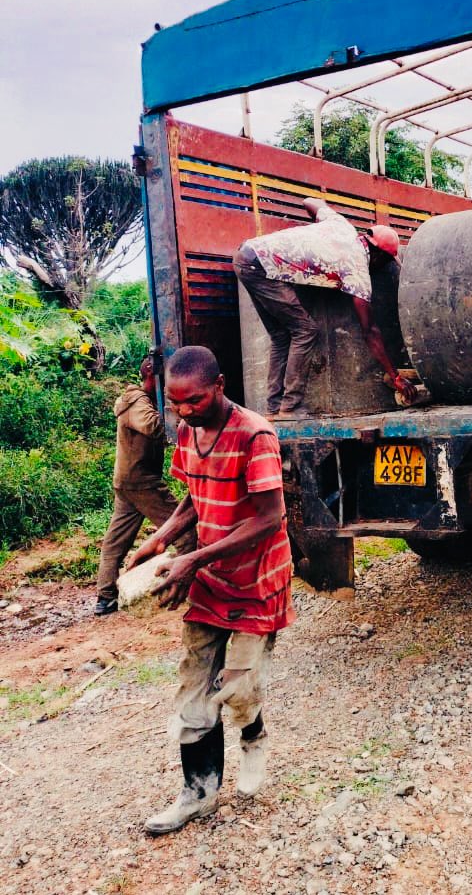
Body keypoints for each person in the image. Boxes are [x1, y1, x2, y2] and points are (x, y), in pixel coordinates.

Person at [126, 345, 294, 835]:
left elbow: (270, 518)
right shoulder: (186, 430)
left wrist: (191, 558)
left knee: (237, 689)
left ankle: (254, 733)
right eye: (175, 403)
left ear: (219, 386)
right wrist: (159, 541)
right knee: (194, 689)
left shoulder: (255, 435)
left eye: (194, 401)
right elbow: (193, 497)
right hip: (209, 582)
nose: (183, 411)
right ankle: (197, 793)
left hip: (257, 581)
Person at [233, 197, 416, 419]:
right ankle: (289, 408)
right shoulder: (357, 267)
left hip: (245, 255)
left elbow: (310, 201)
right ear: (378, 255)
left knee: (281, 336)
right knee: (305, 331)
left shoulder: (340, 225)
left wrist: (317, 238)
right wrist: (394, 375)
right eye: (386, 262)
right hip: (263, 266)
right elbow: (369, 331)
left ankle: (273, 409)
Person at [94, 355, 193, 617]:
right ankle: (191, 585)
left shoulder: (137, 399)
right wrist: (180, 417)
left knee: (115, 542)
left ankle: (105, 597)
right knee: (185, 531)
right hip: (141, 482)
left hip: (128, 480)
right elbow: (152, 426)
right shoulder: (137, 401)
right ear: (152, 376)